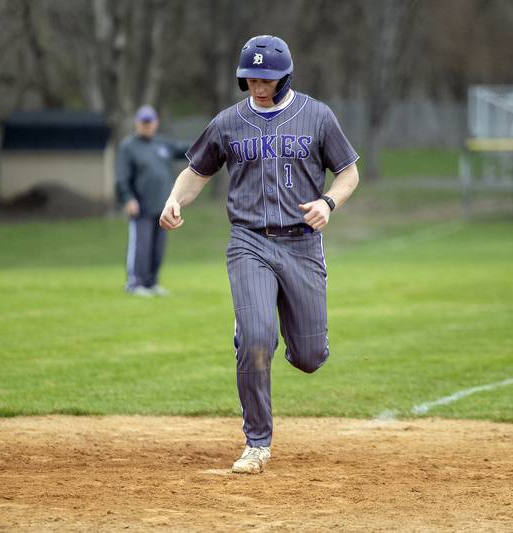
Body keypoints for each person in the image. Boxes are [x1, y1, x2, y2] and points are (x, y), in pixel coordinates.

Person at [160, 35, 360, 474]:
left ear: (285, 76)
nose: (257, 83)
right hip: (249, 241)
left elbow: (348, 172)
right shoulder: (228, 123)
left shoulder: (317, 116)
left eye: (266, 77)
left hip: (303, 244)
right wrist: (176, 200)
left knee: (309, 358)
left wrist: (328, 203)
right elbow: (196, 171)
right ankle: (257, 441)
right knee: (255, 339)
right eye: (250, 76)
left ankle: (292, 335)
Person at [115, 105, 189, 297]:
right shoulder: (129, 146)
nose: (147, 126)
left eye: (150, 122)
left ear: (156, 123)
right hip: (141, 205)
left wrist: (211, 142)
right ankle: (135, 283)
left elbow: (187, 150)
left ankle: (151, 282)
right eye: (143, 122)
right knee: (141, 246)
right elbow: (121, 177)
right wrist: (128, 198)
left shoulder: (162, 144)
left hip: (162, 206)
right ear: (137, 123)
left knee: (157, 247)